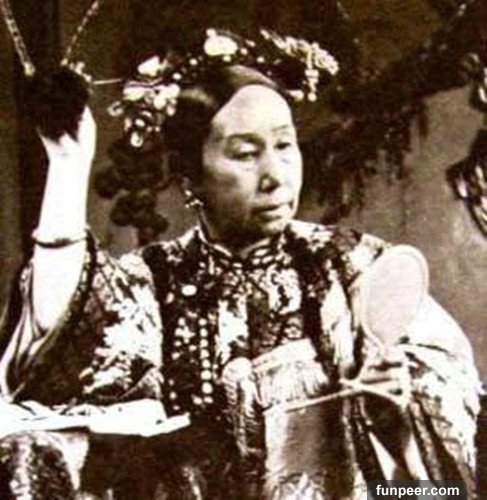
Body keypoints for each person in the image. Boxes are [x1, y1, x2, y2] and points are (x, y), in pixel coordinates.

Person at [0, 29, 481, 499]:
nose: (276, 176)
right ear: (191, 177)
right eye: (246, 154)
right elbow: (57, 352)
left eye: (285, 145)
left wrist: (395, 424)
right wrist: (68, 166)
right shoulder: (154, 283)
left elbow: (436, 488)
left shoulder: (356, 269)